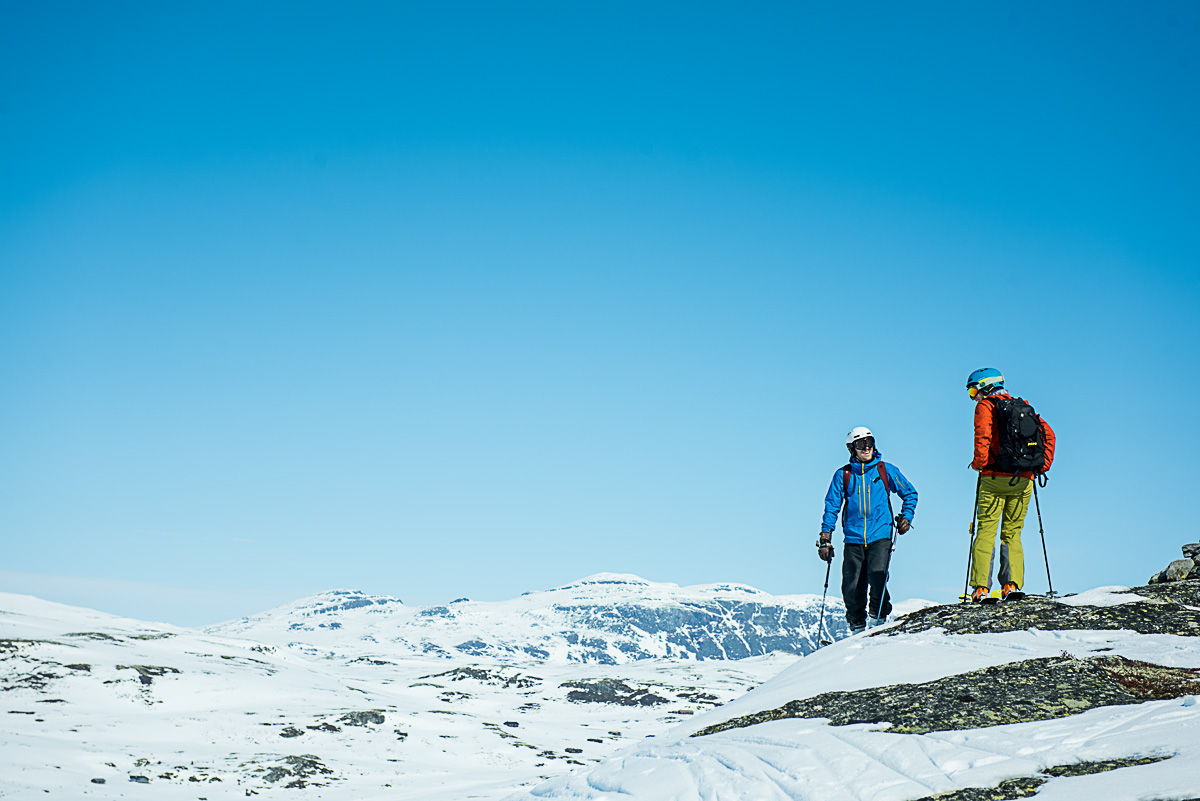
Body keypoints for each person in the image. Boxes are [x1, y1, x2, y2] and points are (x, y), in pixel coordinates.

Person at [965, 368, 1056, 602]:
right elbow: (1049, 434)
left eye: (974, 390)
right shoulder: (1022, 405)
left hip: (994, 478)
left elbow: (982, 435)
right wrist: (1040, 467)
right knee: (1013, 533)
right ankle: (1011, 585)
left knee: (985, 531)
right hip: (1024, 479)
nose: (974, 396)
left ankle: (981, 589)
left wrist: (979, 464)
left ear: (986, 386)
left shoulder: (986, 406)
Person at [817, 427, 918, 634]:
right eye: (861, 444)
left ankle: (878, 619)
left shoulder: (885, 470)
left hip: (880, 534)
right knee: (851, 588)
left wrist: (906, 517)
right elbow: (832, 506)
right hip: (853, 537)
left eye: (870, 442)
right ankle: (857, 626)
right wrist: (825, 536)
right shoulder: (843, 475)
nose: (867, 447)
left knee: (878, 577)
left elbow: (910, 493)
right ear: (852, 448)